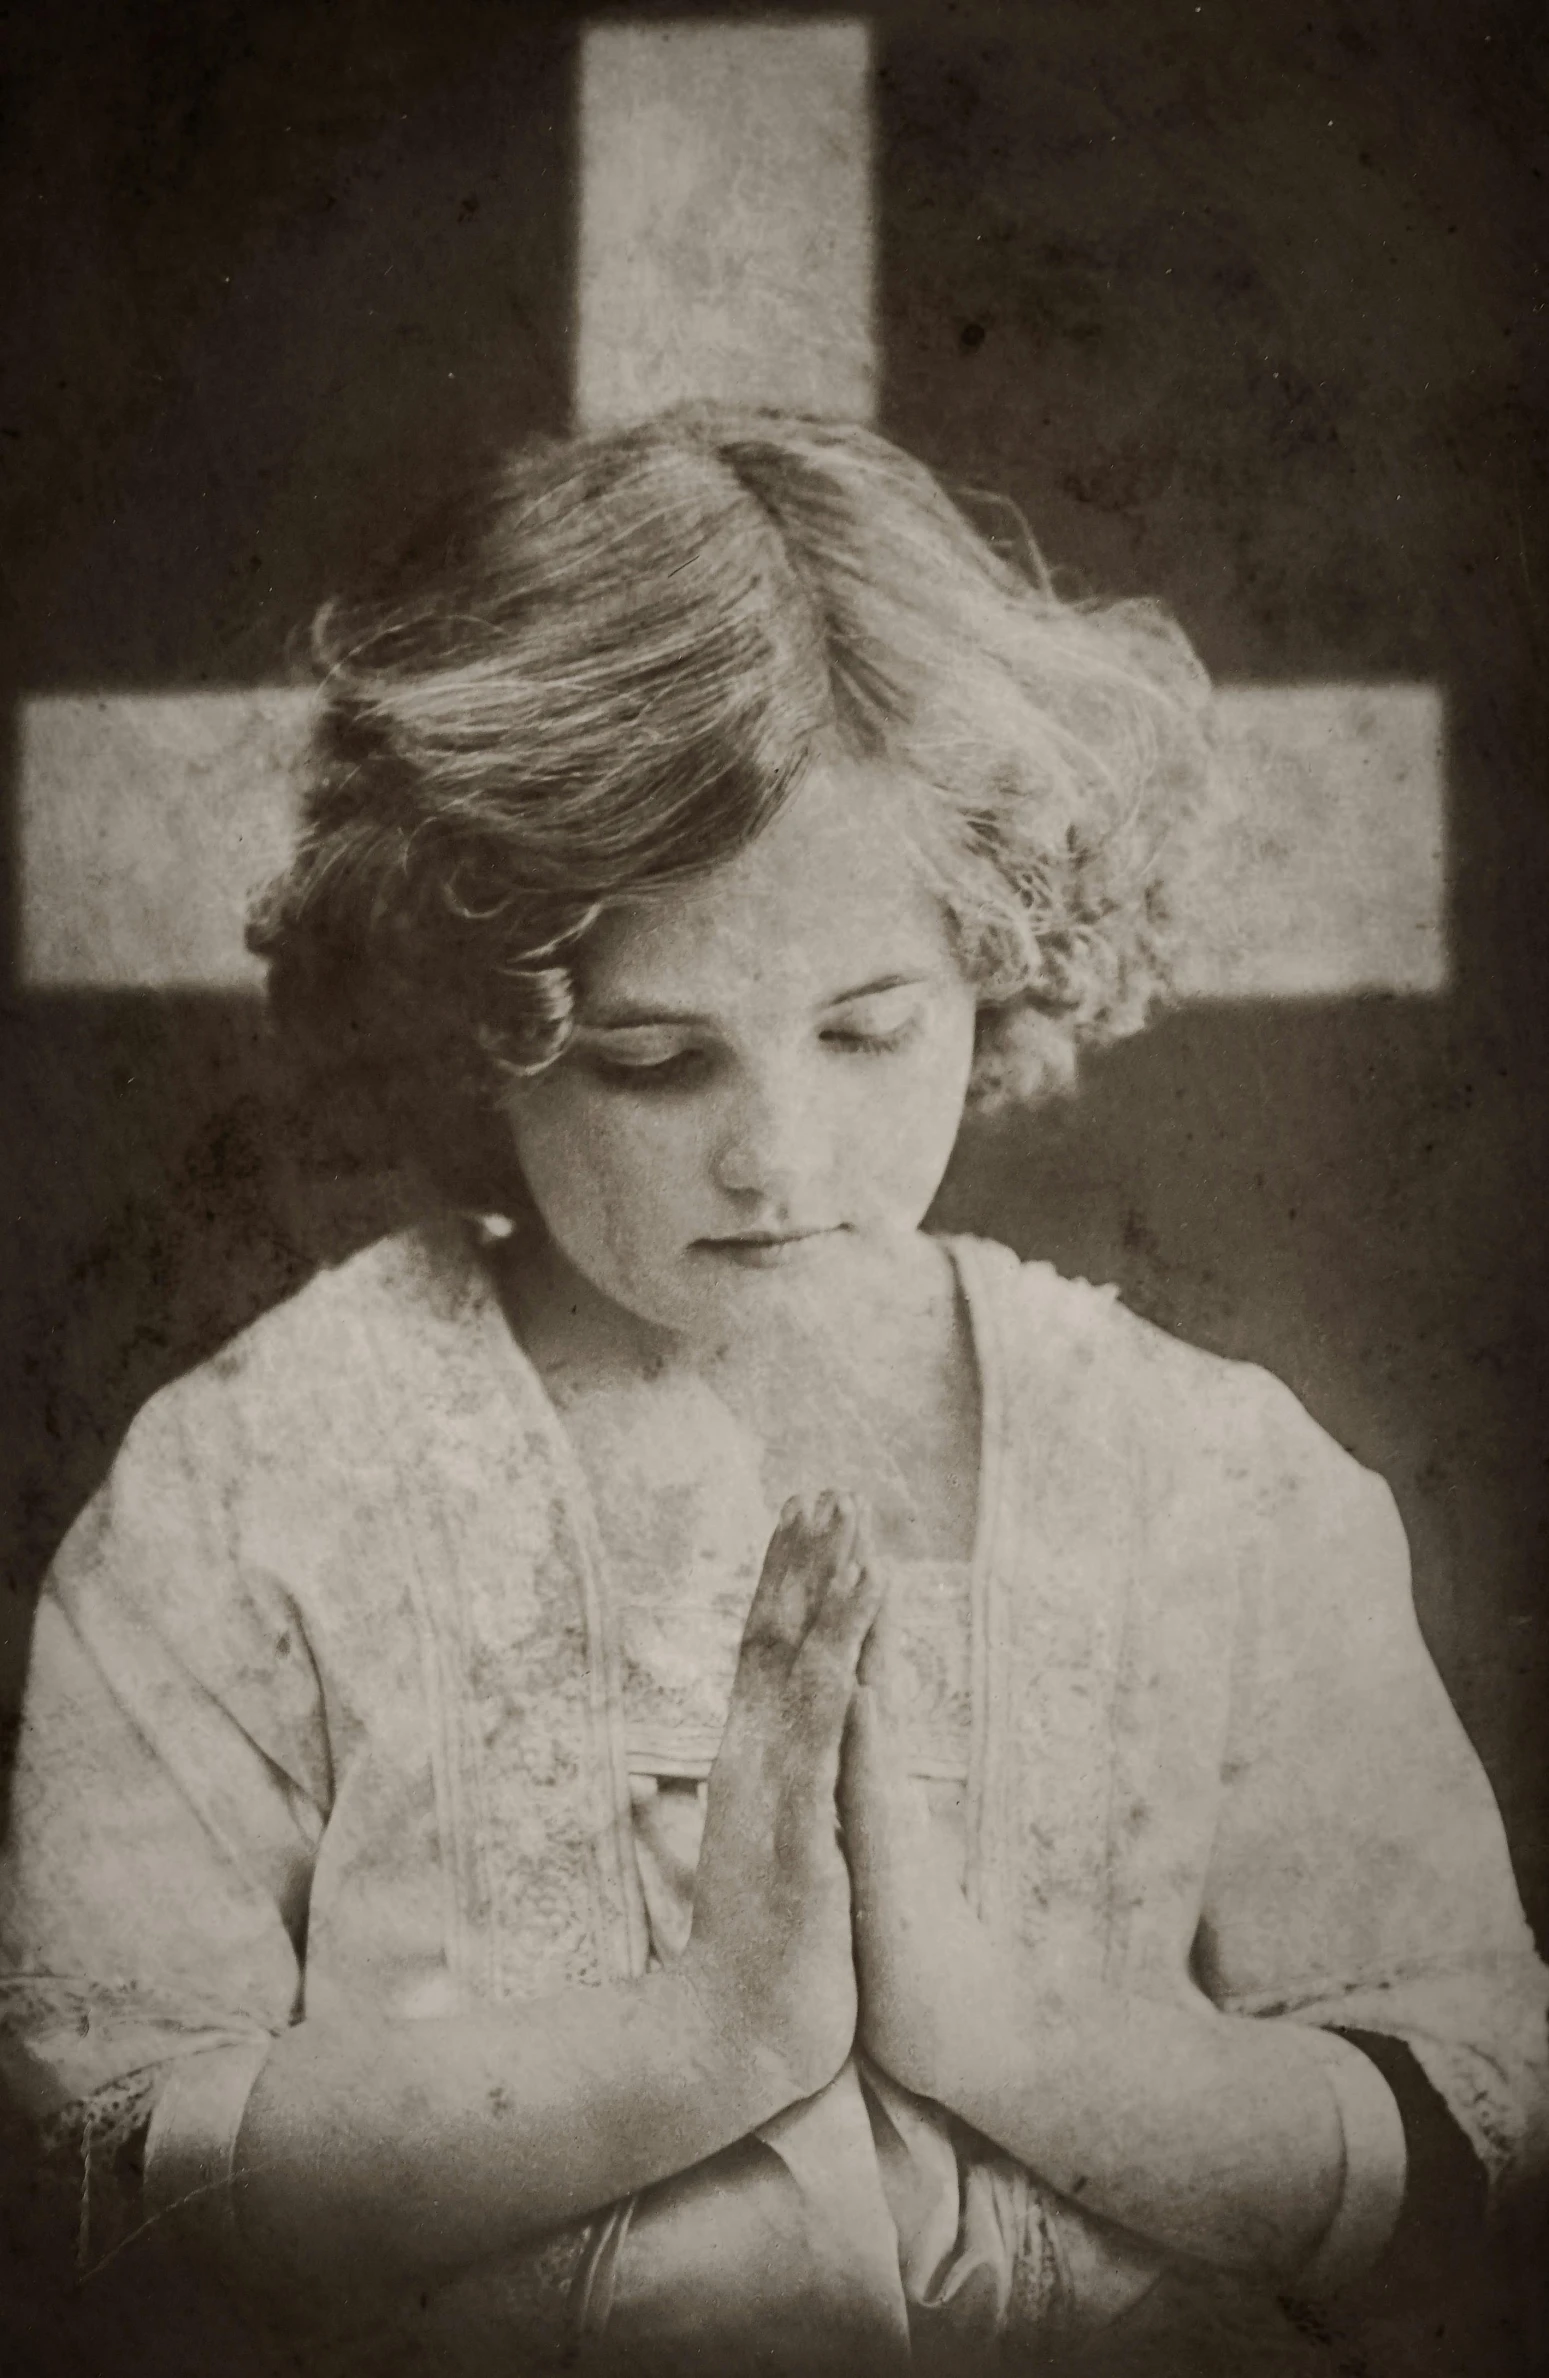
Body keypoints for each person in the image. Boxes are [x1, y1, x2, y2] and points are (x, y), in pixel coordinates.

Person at [1, 408, 1544, 2378]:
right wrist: (705, 2035)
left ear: (990, 969)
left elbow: (1469, 2143)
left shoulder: (1208, 1478)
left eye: (867, 1028)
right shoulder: (256, 1483)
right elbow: (95, 2176)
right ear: (483, 1030)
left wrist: (1008, 2041)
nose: (780, 1154)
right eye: (658, 1059)